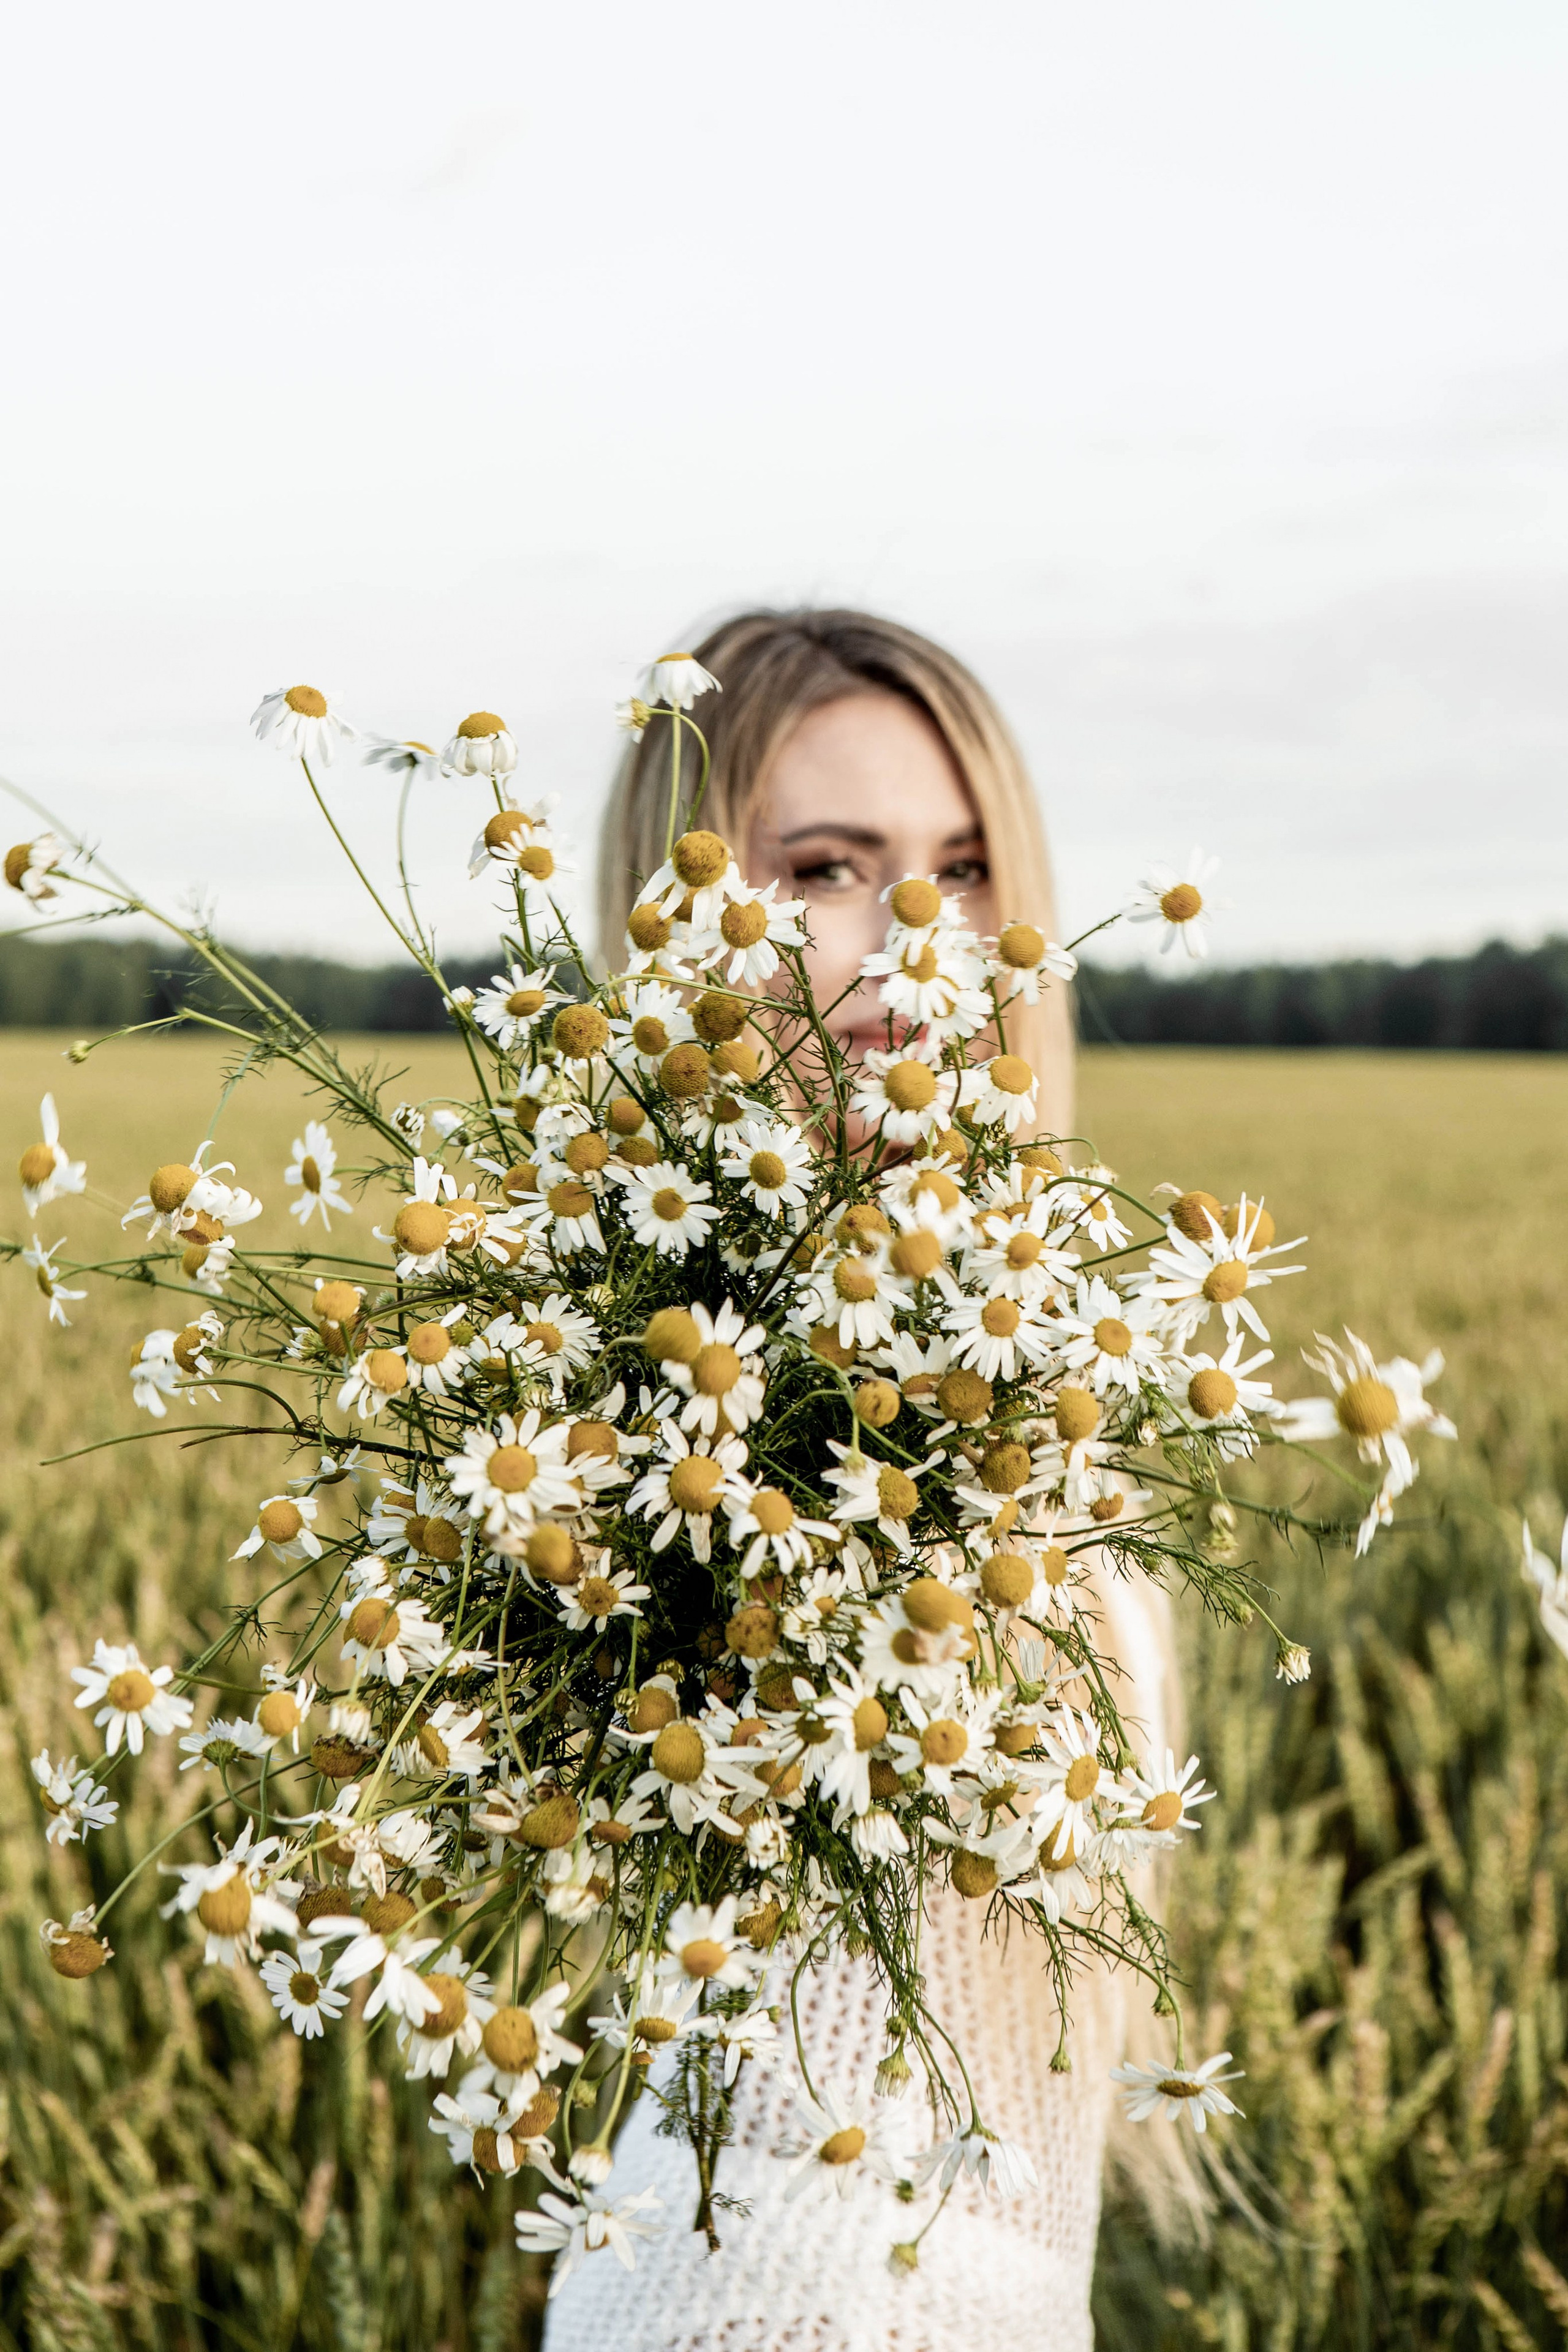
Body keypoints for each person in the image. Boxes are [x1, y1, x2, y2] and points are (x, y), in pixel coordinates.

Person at [545, 608, 1180, 2352]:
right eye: (827, 867)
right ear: (679, 917)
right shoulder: (639, 1412)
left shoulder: (1013, 1364)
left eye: (966, 871)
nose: (925, 936)